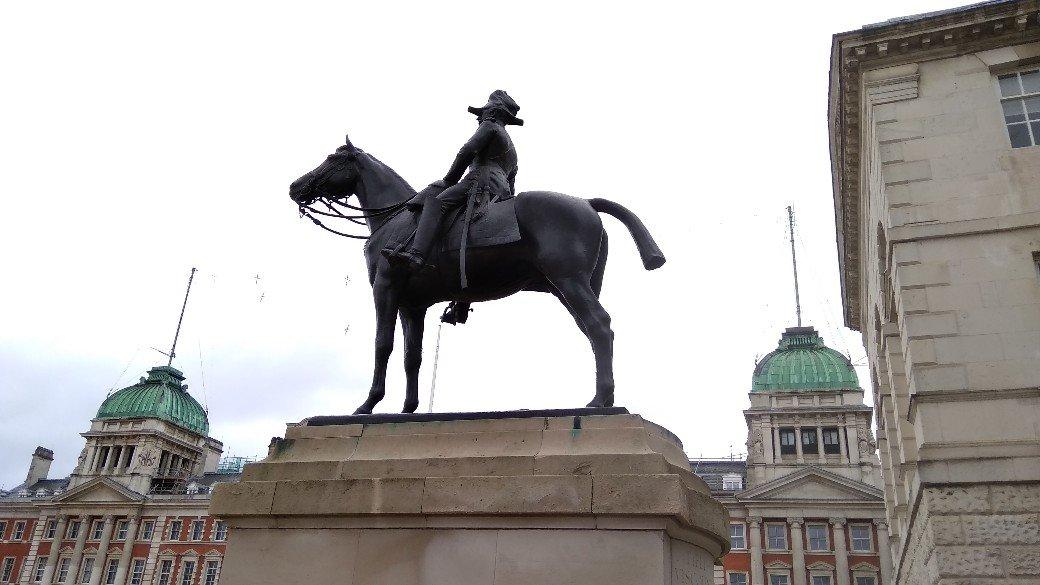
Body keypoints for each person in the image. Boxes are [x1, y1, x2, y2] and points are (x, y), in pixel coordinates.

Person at [383, 90, 522, 268]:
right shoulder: (513, 151)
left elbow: (467, 151)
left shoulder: (490, 126)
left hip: (479, 181)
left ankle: (417, 254)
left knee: (437, 203)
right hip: (500, 191)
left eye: (483, 112)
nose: (479, 118)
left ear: (493, 112)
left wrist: (450, 179)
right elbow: (512, 182)